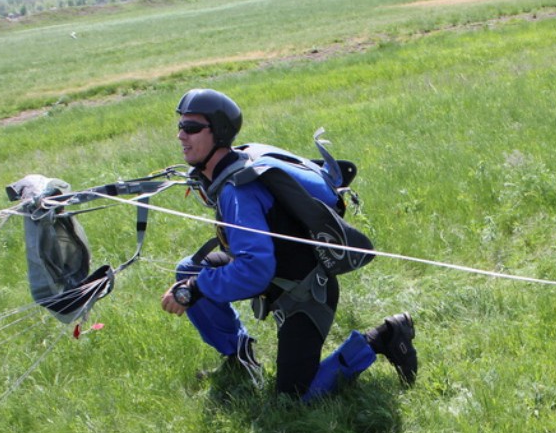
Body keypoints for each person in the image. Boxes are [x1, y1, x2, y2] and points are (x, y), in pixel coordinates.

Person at [160, 88, 417, 401]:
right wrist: (195, 282)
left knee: (295, 398)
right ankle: (239, 357)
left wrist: (195, 289)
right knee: (190, 269)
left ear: (219, 133)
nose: (181, 135)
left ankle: (383, 338)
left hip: (304, 292)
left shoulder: (237, 190)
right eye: (181, 126)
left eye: (191, 128)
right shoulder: (229, 167)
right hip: (275, 275)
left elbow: (254, 270)